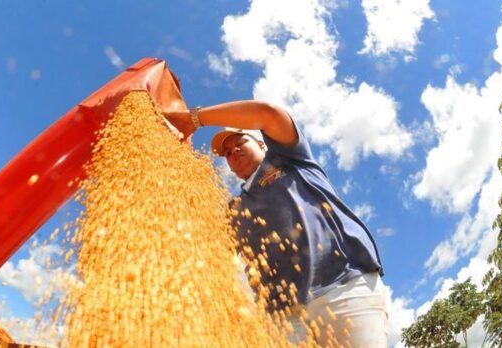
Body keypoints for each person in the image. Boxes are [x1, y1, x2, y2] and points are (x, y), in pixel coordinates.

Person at [164, 100, 388, 347]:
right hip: (282, 317)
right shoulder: (235, 210)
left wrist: (193, 118)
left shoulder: (291, 159)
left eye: (239, 143)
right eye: (227, 153)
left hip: (343, 287)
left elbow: (268, 114)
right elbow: (205, 253)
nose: (233, 152)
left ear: (261, 143)